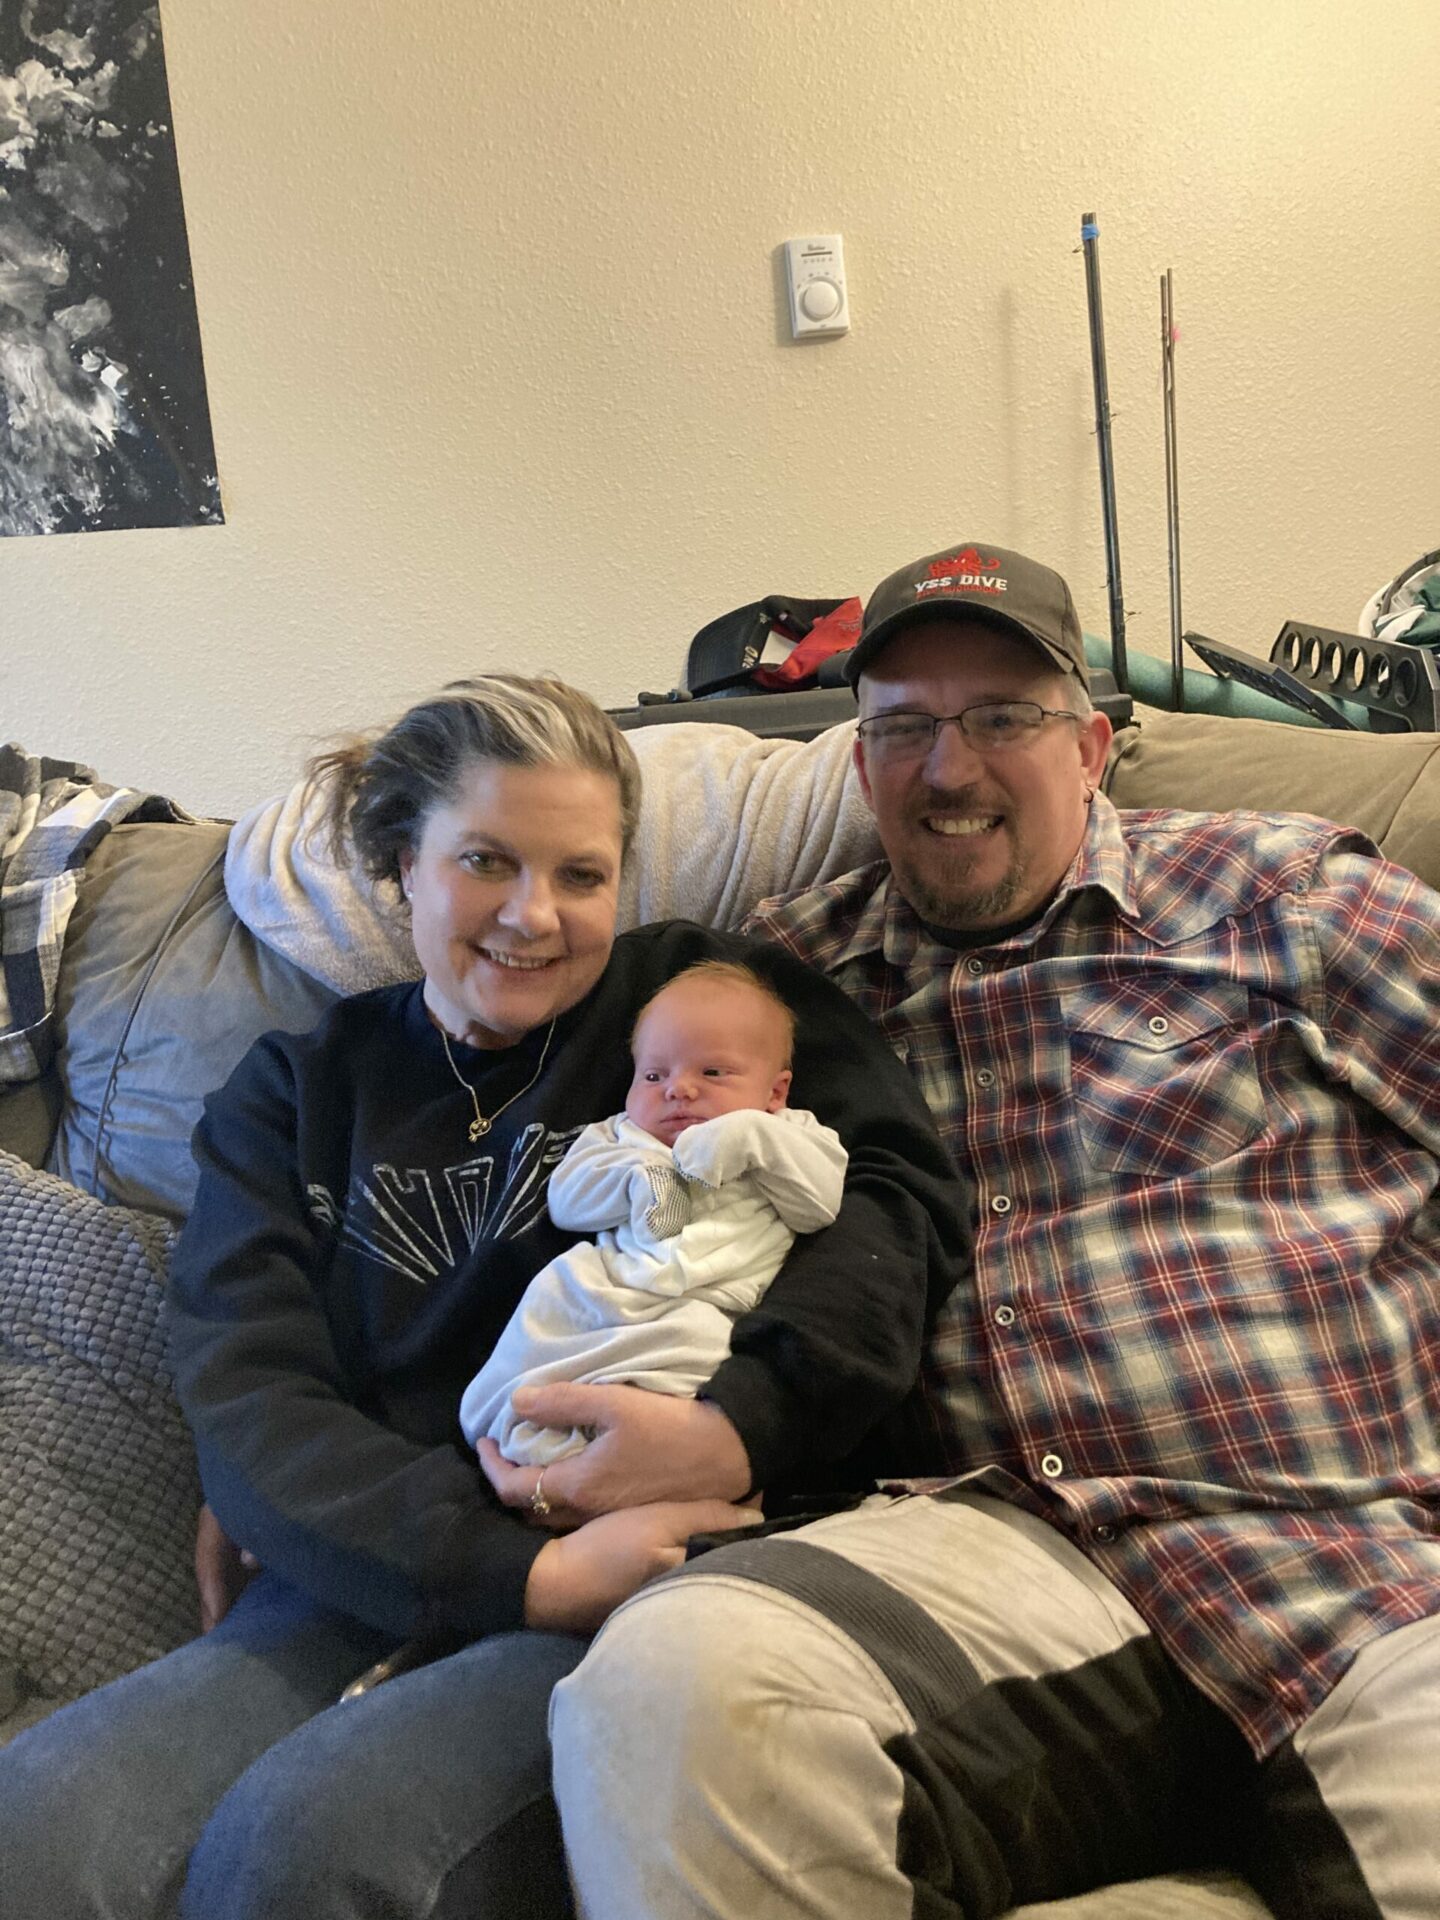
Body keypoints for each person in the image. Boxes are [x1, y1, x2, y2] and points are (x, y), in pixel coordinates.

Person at [552, 542, 1440, 1920]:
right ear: (859, 770)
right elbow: (560, 1138)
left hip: (1351, 1559)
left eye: (1001, 718)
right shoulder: (786, 986)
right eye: (903, 728)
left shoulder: (1289, 898)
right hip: (998, 1553)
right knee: (673, 1685)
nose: (948, 768)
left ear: (1090, 747)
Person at [0, 674, 966, 1920]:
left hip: (661, 1562)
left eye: (582, 875)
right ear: (402, 863)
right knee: (36, 1830)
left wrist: (744, 1421)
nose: (534, 916)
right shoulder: (297, 1090)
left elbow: (896, 1195)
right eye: (486, 862)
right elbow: (246, 1386)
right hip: (382, 1562)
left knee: (308, 1848)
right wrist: (507, 1570)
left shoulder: (696, 1006)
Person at [460, 960, 848, 1468]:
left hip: (711, 1304)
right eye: (653, 1075)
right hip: (612, 1285)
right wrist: (637, 1180)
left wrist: (749, 1138)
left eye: (712, 1072)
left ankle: (616, 1453)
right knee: (553, 1296)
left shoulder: (788, 1133)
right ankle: (516, 1420)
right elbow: (566, 1200)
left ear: (775, 1092)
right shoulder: (622, 1135)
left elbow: (819, 1206)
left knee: (703, 1361)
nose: (677, 1089)